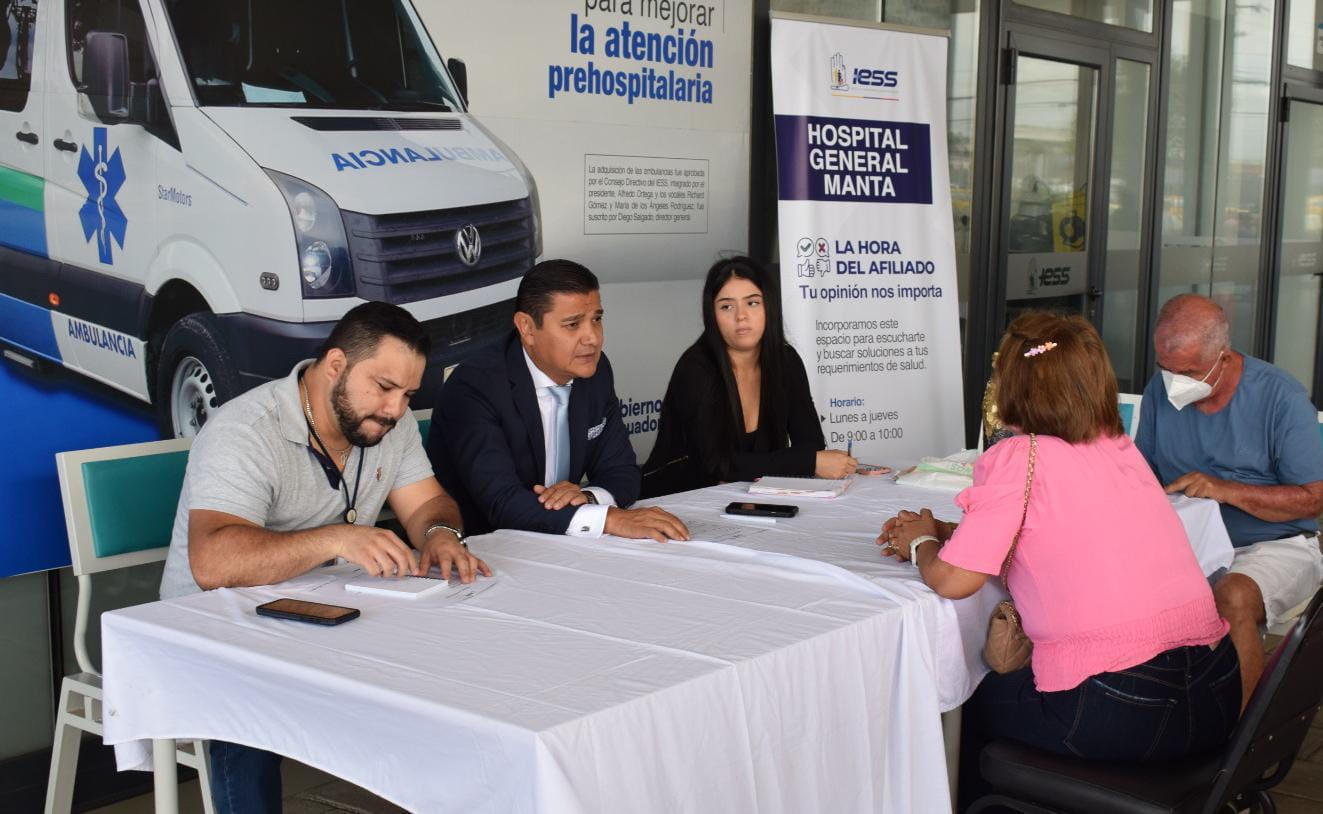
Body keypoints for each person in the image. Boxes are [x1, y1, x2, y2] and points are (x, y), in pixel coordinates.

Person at [159, 301, 490, 814]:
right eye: (384, 387)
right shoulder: (244, 429)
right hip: (211, 624)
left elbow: (427, 504)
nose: (396, 410)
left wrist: (441, 534)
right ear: (336, 365)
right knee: (247, 693)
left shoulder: (389, 423)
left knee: (452, 655)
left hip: (323, 610)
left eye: (407, 395)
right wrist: (336, 540)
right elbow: (213, 563)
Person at [882, 312, 1238, 780]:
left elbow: (953, 581)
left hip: (1124, 705)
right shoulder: (1117, 446)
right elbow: (1061, 532)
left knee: (959, 705)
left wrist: (921, 542)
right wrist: (951, 532)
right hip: (1216, 693)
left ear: (1013, 387)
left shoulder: (1019, 456)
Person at [1135, 293, 1323, 705]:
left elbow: (1313, 500)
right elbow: (1141, 477)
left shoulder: (1280, 398)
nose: (1174, 381)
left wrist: (1225, 489)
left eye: (1187, 372)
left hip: (1274, 545)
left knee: (1232, 597)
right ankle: (1147, 715)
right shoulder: (1159, 392)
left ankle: (1239, 734)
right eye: (1166, 369)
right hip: (1187, 545)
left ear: (1222, 357)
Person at [428, 259, 689, 541]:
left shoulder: (595, 371)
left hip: (559, 542)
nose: (592, 338)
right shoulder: (476, 385)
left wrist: (588, 498)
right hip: (481, 546)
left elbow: (622, 471)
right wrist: (608, 519)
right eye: (573, 324)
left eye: (597, 319)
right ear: (527, 328)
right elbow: (502, 503)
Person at [641, 256, 854, 497]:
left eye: (752, 303)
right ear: (712, 315)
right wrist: (805, 462)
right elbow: (715, 465)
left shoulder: (786, 360)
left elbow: (811, 443)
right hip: (678, 499)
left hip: (752, 498)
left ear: (769, 306)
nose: (741, 316)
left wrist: (806, 460)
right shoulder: (696, 368)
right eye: (727, 306)